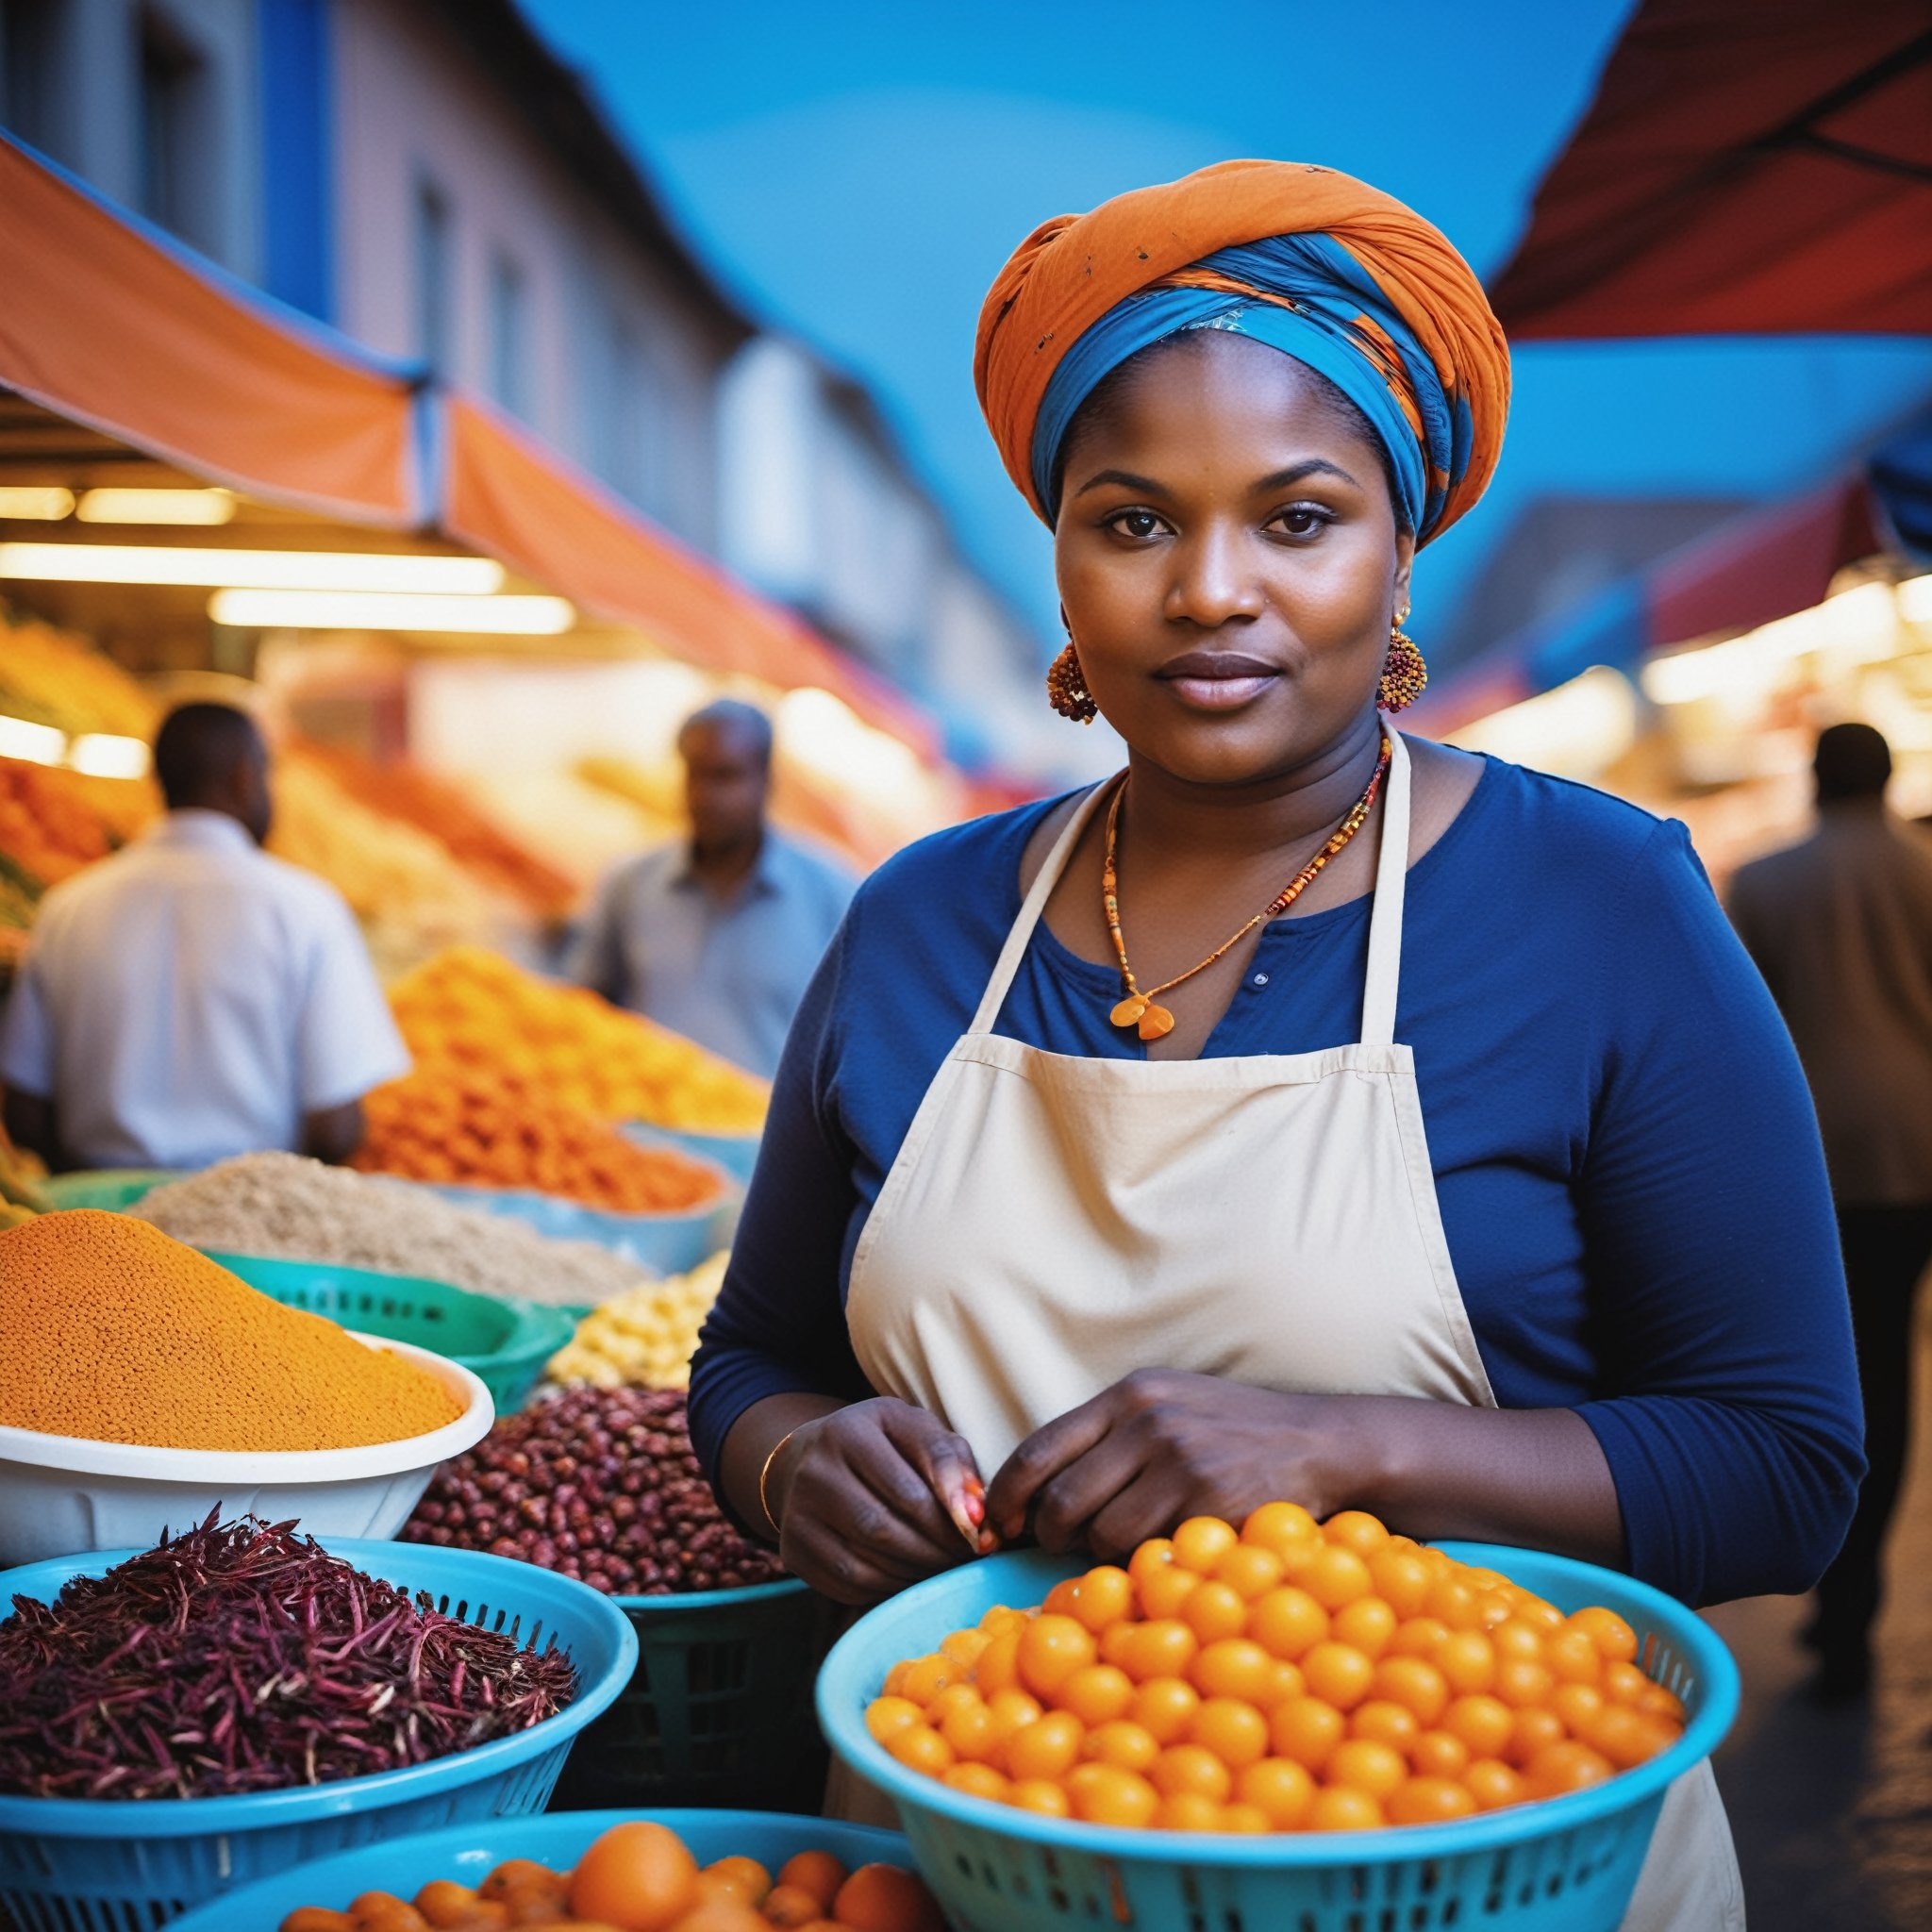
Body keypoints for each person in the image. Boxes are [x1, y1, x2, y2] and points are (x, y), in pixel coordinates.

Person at [690, 161, 1861, 1924]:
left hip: (1470, 1835)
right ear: (1061, 554)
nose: (1208, 589)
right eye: (1134, 518)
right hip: (973, 1829)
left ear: (1399, 547)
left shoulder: (1598, 906)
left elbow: (1782, 1468)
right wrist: (793, 1462)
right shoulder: (916, 923)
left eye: (1295, 518)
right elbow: (751, 1353)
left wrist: (1343, 1446)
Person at [1726, 721, 1932, 1697]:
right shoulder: (1923, 868)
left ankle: (1835, 1600)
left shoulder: (1763, 882)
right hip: (1918, 1143)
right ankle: (1854, 1600)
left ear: (1813, 778)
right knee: (1892, 1368)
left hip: (1807, 1157)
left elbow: (1739, 1030)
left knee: (1838, 1374)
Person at [0, 701, 406, 1173]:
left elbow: (24, 1111)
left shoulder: (67, 908)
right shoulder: (306, 909)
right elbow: (336, 1127)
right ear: (243, 776)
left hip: (97, 1215)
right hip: (250, 1211)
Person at [567, 699, 857, 1078]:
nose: (707, 796)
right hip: (643, 1124)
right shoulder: (629, 885)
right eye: (696, 775)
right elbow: (583, 1011)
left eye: (726, 777)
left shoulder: (830, 894)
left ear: (765, 782)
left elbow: (855, 1035)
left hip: (767, 1131)